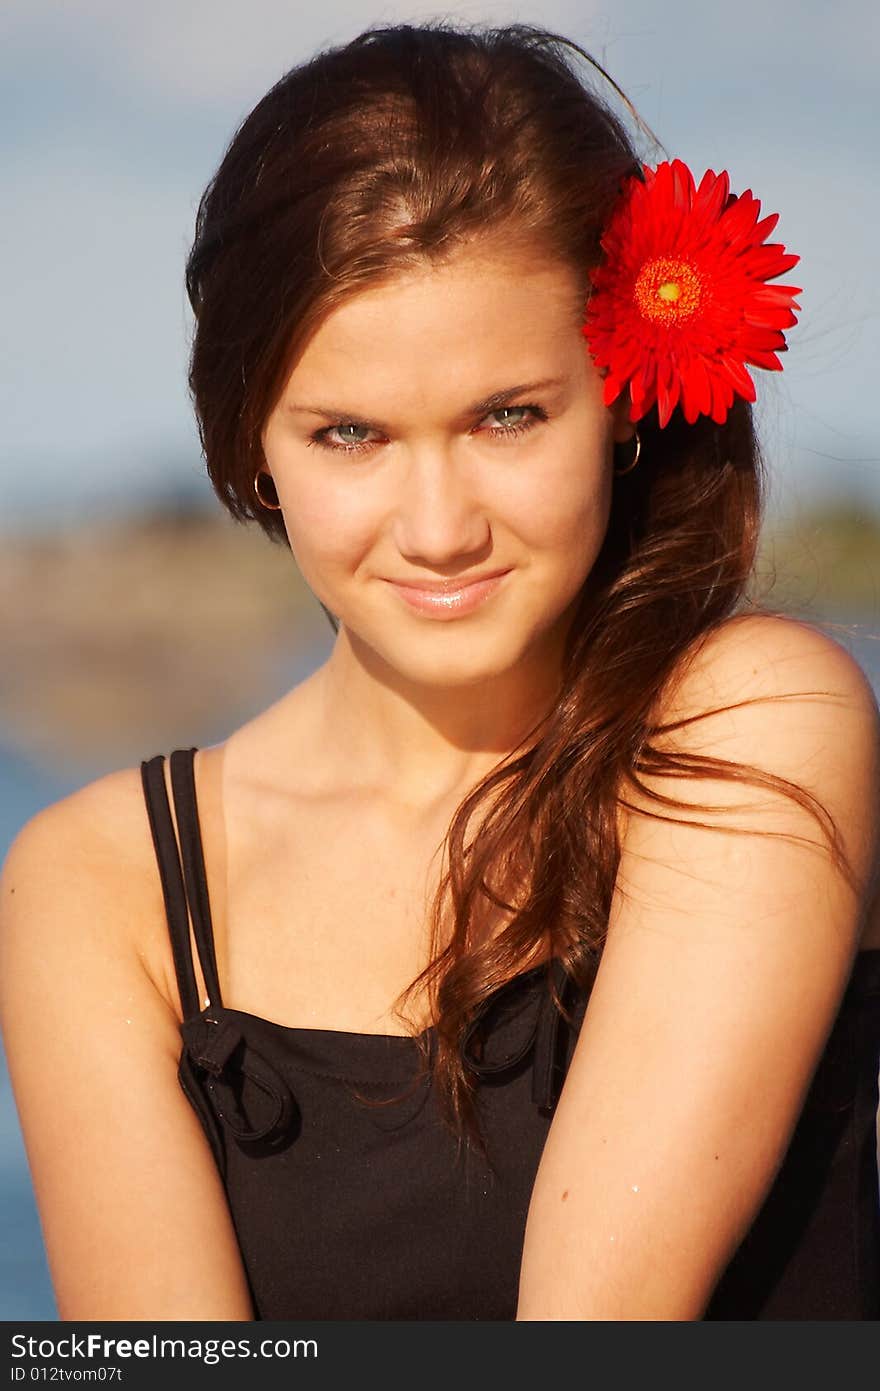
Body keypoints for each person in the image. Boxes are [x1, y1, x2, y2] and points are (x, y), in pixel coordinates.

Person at [1, 19, 879, 1323]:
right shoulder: (98, 885)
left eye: (506, 417)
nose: (437, 526)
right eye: (349, 434)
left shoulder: (754, 724)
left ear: (624, 397)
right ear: (252, 445)